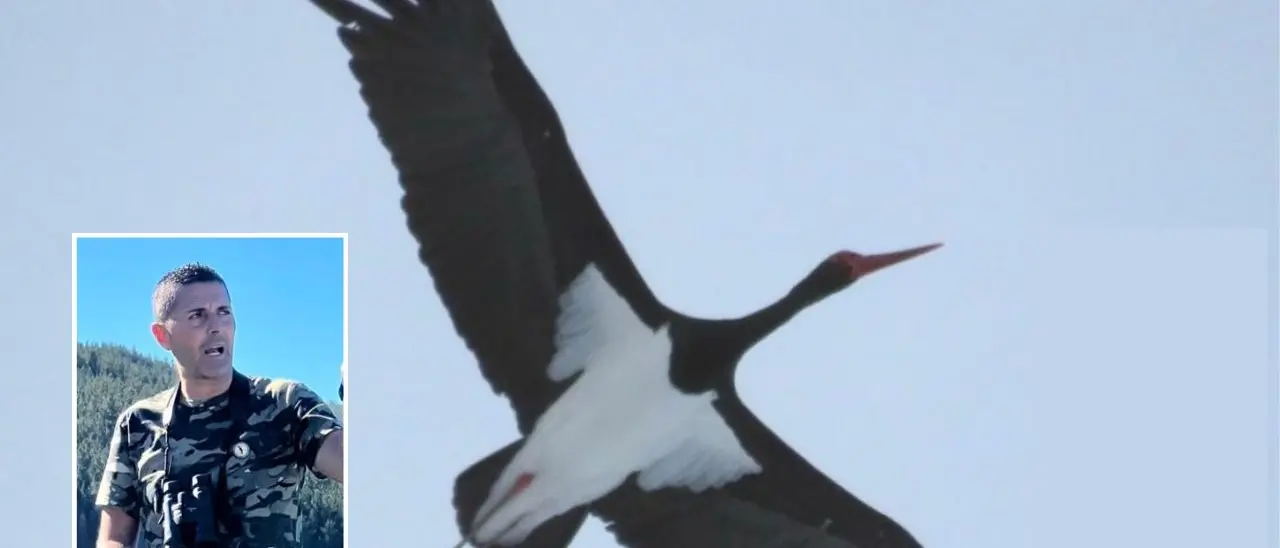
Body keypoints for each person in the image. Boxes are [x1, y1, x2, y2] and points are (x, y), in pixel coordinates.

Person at [94, 262, 345, 548]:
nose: (216, 327)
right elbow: (114, 536)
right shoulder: (137, 423)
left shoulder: (284, 403)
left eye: (224, 312)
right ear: (163, 336)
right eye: (198, 316)